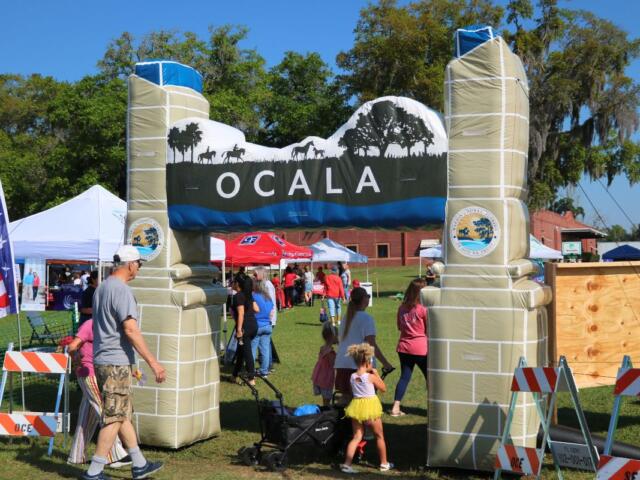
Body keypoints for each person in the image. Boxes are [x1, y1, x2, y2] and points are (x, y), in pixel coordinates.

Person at [85, 245, 165, 480]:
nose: (138, 269)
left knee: (122, 414)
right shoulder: (121, 290)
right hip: (115, 363)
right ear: (131, 264)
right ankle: (94, 470)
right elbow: (130, 328)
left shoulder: (102, 288)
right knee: (114, 417)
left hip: (104, 359)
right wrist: (153, 363)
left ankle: (139, 464)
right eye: (139, 264)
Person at [67, 319, 130, 468]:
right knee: (106, 412)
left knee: (86, 417)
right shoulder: (90, 324)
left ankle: (76, 456)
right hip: (89, 374)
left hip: (100, 374)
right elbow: (72, 346)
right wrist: (76, 360)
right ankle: (114, 456)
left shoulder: (108, 325)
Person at [340, 343, 393, 473]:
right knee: (379, 436)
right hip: (370, 408)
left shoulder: (352, 376)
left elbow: (354, 392)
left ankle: (347, 464)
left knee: (357, 436)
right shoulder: (370, 376)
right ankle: (384, 463)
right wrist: (376, 374)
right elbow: (383, 388)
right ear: (367, 361)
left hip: (356, 407)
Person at [334, 287, 393, 400]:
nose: (369, 298)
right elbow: (372, 345)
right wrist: (386, 363)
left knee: (347, 401)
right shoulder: (367, 318)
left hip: (342, 363)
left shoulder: (346, 317)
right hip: (359, 365)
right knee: (364, 401)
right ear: (364, 300)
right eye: (368, 296)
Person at [390, 279, 428, 417]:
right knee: (430, 378)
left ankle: (395, 407)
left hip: (404, 347)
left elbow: (399, 327)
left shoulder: (401, 308)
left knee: (404, 377)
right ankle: (435, 407)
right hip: (421, 349)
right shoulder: (423, 309)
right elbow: (429, 330)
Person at [231, 276, 258, 385]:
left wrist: (238, 330)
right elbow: (257, 309)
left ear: (237, 284)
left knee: (247, 353)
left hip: (245, 328)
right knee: (241, 351)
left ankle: (251, 378)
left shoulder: (238, 296)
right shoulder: (249, 295)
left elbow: (241, 313)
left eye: (233, 282)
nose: (232, 283)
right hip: (253, 326)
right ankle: (234, 375)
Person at [251, 279, 274, 377]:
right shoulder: (268, 297)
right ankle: (264, 371)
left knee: (252, 349)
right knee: (265, 349)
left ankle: (250, 370)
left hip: (256, 325)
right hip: (267, 325)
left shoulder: (253, 296)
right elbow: (272, 313)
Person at [311, 323, 336, 406]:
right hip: (326, 379)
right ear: (332, 337)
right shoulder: (330, 352)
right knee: (327, 402)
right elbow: (334, 364)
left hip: (320, 377)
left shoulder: (323, 348)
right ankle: (325, 414)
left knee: (325, 400)